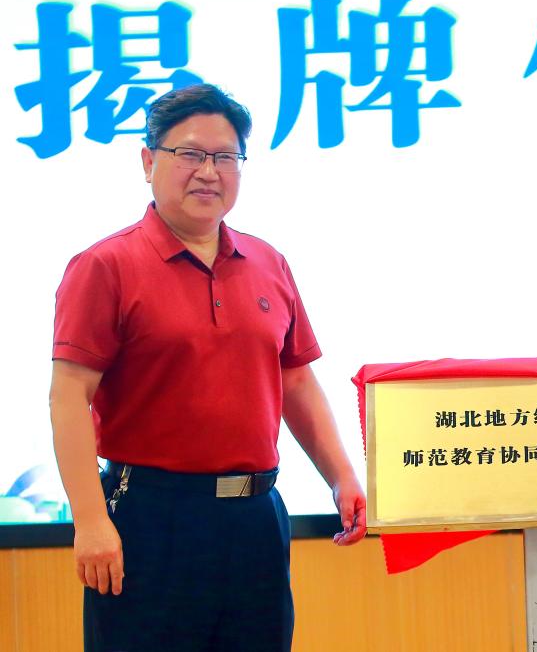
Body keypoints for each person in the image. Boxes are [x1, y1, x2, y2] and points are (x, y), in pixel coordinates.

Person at [49, 83, 367, 652]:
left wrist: (341, 476)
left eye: (225, 157)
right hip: (150, 519)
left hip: (255, 519)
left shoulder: (268, 262)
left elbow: (295, 380)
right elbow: (69, 396)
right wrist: (90, 521)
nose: (208, 172)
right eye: (190, 153)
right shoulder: (105, 265)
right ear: (148, 161)